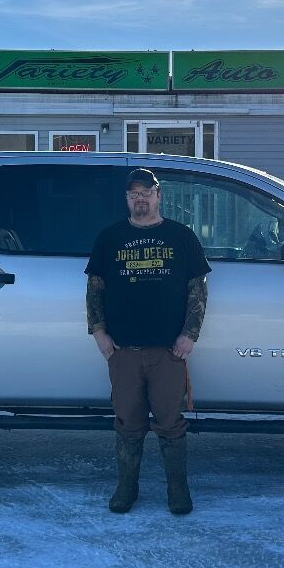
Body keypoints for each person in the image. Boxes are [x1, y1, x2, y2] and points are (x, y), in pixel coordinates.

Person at [85, 168, 211, 515]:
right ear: (127, 199)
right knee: (128, 421)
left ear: (158, 195)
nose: (140, 198)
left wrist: (190, 334)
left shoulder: (181, 236)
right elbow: (94, 290)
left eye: (146, 192)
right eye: (133, 194)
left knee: (170, 422)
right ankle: (126, 488)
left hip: (169, 352)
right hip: (123, 351)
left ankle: (178, 491)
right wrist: (99, 333)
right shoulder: (109, 238)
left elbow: (198, 291)